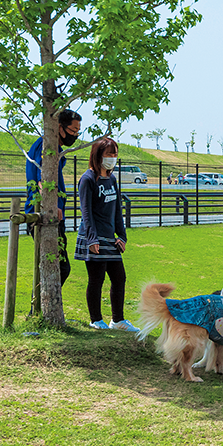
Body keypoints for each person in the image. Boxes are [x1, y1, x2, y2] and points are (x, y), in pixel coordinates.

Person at [73, 138, 138, 331]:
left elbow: (117, 209)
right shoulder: (87, 179)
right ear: (98, 154)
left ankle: (118, 320)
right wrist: (92, 239)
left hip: (110, 237)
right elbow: (86, 212)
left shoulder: (112, 179)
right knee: (97, 278)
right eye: (109, 154)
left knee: (119, 278)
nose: (112, 158)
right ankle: (96, 320)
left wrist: (122, 235)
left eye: (115, 154)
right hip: (93, 237)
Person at [24, 108, 82, 286]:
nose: (75, 135)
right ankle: (39, 308)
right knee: (59, 268)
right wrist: (52, 205)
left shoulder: (55, 149)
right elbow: (43, 180)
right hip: (45, 215)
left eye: (78, 132)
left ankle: (43, 309)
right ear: (59, 127)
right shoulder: (46, 147)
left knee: (56, 267)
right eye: (73, 131)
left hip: (53, 215)